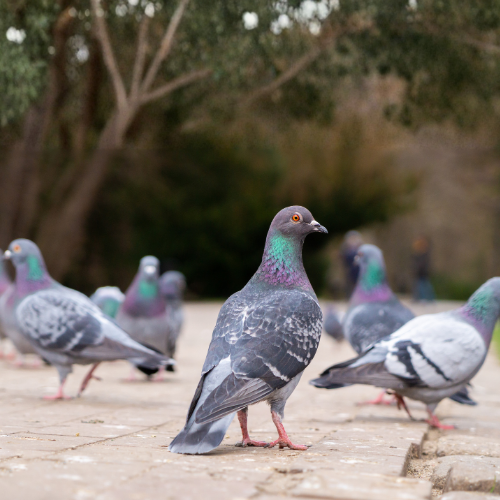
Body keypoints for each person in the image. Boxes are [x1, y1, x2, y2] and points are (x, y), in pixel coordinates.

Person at [340, 230, 363, 298]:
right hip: (350, 270)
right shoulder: (345, 249)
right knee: (350, 284)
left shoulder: (361, 249)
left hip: (359, 270)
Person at [412, 235, 435, 302]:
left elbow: (424, 264)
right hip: (419, 273)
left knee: (424, 286)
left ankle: (427, 299)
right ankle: (419, 298)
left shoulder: (425, 254)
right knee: (420, 286)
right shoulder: (418, 254)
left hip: (423, 273)